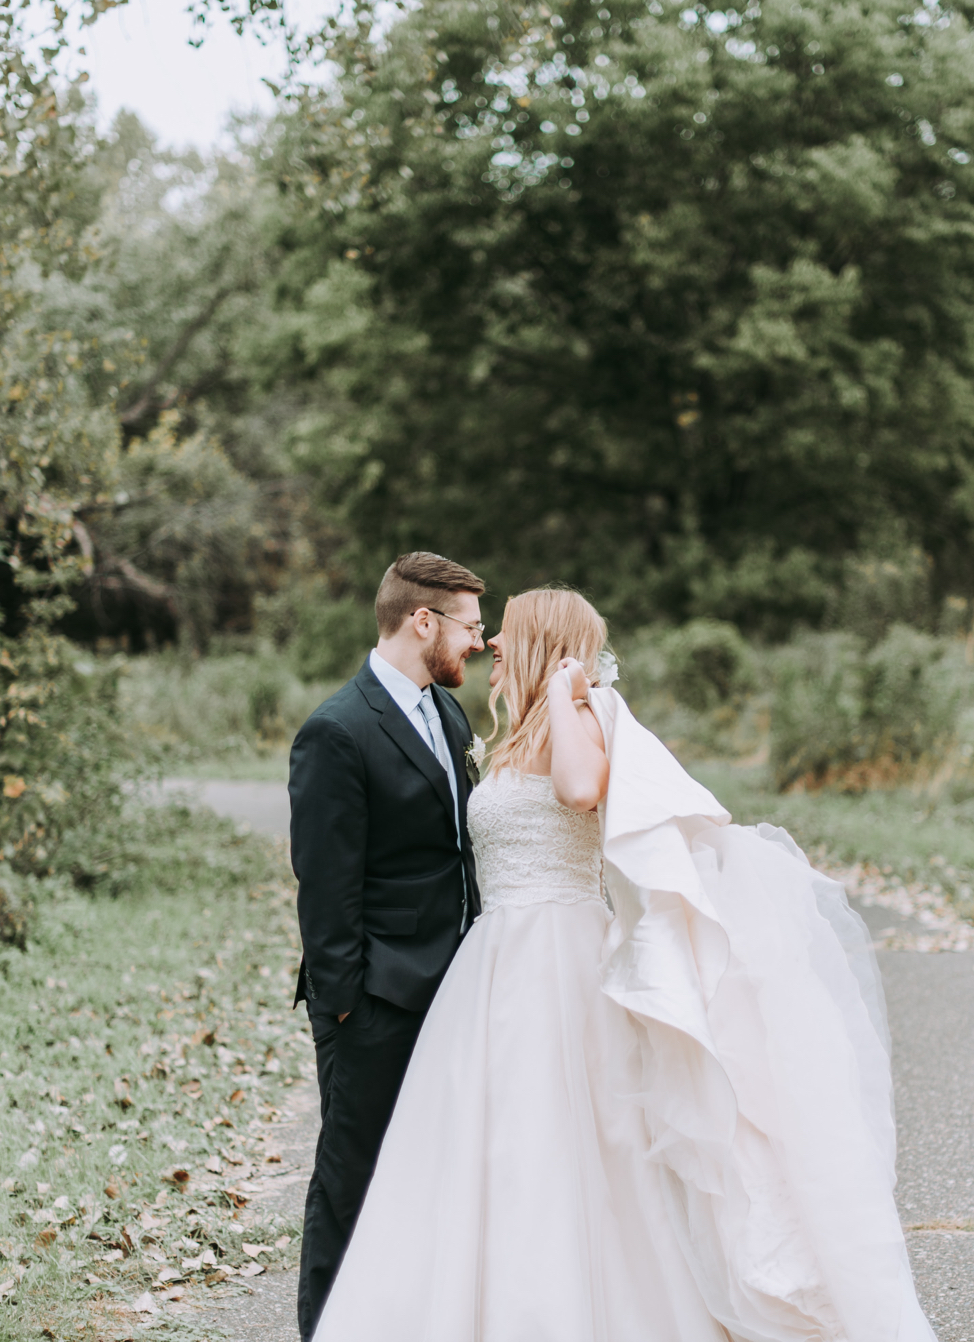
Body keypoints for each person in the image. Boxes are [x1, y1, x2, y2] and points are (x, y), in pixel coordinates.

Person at [312, 587, 934, 1342]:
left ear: (543, 641)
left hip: (560, 956)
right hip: (495, 962)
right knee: (494, 1144)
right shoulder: (505, 730)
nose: (495, 644)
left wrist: (570, 690)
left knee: (571, 1140)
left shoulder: (576, 718)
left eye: (508, 632)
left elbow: (579, 790)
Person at [287, 551, 488, 1340]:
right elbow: (325, 886)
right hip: (372, 1002)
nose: (478, 640)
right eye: (470, 625)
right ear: (423, 620)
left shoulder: (448, 713)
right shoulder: (335, 731)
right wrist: (344, 1008)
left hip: (454, 990)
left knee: (431, 1177)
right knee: (351, 1180)